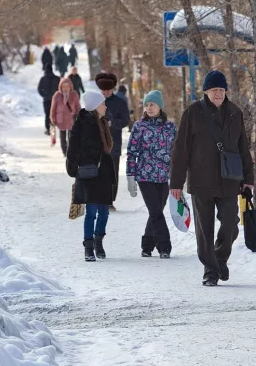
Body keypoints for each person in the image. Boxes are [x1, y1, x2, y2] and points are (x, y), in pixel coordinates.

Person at [170, 70, 254, 287]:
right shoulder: (193, 113)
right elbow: (181, 149)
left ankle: (219, 259)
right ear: (206, 91)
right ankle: (210, 270)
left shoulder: (235, 112)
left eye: (222, 90)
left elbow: (243, 147)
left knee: (231, 224)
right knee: (204, 230)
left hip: (229, 180)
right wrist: (176, 183)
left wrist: (248, 179)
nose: (218, 93)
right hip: (201, 180)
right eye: (214, 90)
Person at [126, 91, 176, 258]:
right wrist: (130, 176)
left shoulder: (170, 127)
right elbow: (132, 152)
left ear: (160, 106)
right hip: (145, 175)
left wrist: (178, 175)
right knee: (155, 211)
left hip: (163, 176)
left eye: (152, 104)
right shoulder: (139, 126)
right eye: (146, 105)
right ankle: (164, 247)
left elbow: (177, 152)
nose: (149, 108)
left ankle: (147, 246)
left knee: (157, 212)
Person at [67, 91, 116, 261]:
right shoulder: (82, 124)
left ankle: (98, 241)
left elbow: (108, 149)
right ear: (95, 106)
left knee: (104, 213)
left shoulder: (103, 122)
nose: (105, 106)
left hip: (103, 173)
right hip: (89, 173)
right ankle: (88, 247)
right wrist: (73, 168)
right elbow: (72, 147)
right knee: (91, 211)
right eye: (103, 103)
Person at [96, 72, 130, 209]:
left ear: (112, 89)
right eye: (103, 90)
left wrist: (112, 123)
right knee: (98, 172)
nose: (105, 92)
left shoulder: (120, 102)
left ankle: (110, 200)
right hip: (97, 143)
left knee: (112, 172)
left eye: (108, 90)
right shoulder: (96, 102)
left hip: (114, 143)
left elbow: (126, 120)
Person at [50, 76, 80, 157]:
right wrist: (53, 118)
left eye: (67, 86)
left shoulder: (74, 94)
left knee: (71, 137)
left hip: (71, 119)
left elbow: (78, 106)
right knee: (62, 137)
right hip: (61, 119)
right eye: (64, 86)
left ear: (70, 86)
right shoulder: (57, 95)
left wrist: (80, 116)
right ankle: (65, 152)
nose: (66, 88)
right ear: (61, 86)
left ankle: (70, 151)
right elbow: (53, 108)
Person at [38, 65, 59, 135]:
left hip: (46, 100)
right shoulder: (57, 78)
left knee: (47, 114)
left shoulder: (43, 79)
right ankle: (52, 129)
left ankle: (48, 129)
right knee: (53, 115)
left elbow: (39, 89)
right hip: (55, 100)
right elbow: (61, 88)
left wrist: (44, 95)